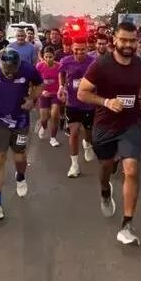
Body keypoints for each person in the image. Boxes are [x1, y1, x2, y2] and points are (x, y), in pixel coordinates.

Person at [78, 21, 141, 246]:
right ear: (115, 41)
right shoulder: (101, 65)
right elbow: (82, 93)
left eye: (133, 40)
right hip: (105, 125)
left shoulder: (140, 64)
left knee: (131, 170)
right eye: (124, 40)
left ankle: (127, 224)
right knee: (106, 167)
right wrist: (106, 101)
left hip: (130, 125)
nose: (128, 44)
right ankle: (104, 191)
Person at [0, 49, 43, 221]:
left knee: (19, 157)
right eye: (7, 71)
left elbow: (39, 84)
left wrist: (32, 99)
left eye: (14, 70)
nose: (11, 73)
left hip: (20, 119)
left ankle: (20, 177)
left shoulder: (27, 69)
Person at [58, 37, 97, 178]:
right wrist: (61, 87)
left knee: (88, 131)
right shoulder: (65, 61)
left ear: (87, 48)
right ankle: (74, 165)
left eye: (82, 49)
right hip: (72, 102)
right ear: (72, 48)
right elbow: (61, 74)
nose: (79, 52)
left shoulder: (93, 62)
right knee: (73, 132)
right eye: (76, 49)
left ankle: (87, 143)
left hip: (88, 103)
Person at [36, 46, 62, 147]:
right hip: (44, 94)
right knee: (44, 118)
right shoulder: (39, 66)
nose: (48, 59)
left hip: (55, 94)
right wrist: (41, 91)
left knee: (55, 115)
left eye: (50, 57)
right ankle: (43, 126)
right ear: (43, 56)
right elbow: (35, 81)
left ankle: (53, 138)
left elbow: (63, 79)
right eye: (46, 57)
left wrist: (61, 89)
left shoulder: (59, 66)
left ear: (54, 56)